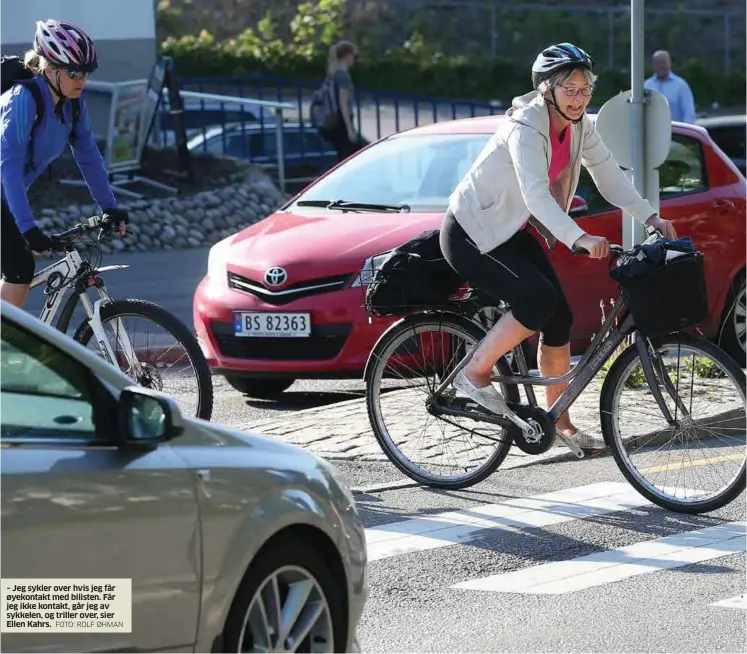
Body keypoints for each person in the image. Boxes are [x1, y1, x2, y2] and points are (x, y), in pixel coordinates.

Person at [440, 42, 676, 451]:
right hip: (471, 231)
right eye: (570, 88)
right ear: (547, 89)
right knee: (535, 300)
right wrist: (578, 238)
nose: (579, 97)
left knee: (560, 315)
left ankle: (560, 422)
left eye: (586, 89)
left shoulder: (582, 125)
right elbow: (535, 193)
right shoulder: (525, 127)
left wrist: (650, 216)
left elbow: (608, 175)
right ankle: (473, 374)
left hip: (509, 229)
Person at [0, 19, 128, 310]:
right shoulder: (24, 98)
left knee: (17, 263)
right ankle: (5, 353)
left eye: (85, 72)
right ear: (50, 68)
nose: (81, 79)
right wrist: (28, 227)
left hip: (6, 198)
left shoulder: (72, 104)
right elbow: (8, 165)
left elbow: (88, 155)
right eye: (73, 72)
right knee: (19, 269)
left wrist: (110, 206)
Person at [322, 40, 362, 162]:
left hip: (333, 119)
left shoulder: (332, 75)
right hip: (342, 121)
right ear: (347, 55)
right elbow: (343, 103)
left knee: (343, 155)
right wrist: (350, 128)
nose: (354, 59)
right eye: (354, 56)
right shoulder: (343, 76)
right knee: (351, 156)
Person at [644, 50, 697, 124]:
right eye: (658, 63)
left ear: (670, 63)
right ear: (653, 65)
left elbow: (689, 114)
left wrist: (685, 134)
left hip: (676, 133)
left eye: (664, 62)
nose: (661, 66)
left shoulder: (681, 85)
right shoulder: (646, 86)